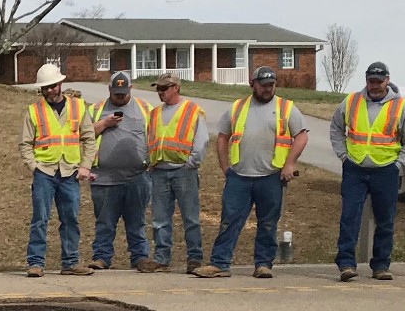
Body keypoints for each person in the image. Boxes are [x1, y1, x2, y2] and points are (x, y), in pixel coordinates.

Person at [193, 66, 310, 279]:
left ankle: (263, 264)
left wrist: (290, 164)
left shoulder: (286, 108)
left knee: (267, 222)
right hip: (239, 176)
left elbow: (301, 136)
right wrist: (225, 167)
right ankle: (220, 263)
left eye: (271, 85)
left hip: (271, 176)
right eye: (263, 85)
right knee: (229, 221)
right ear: (252, 84)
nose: (267, 89)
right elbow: (222, 137)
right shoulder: (237, 108)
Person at [330, 61, 405, 281]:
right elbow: (336, 128)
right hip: (355, 169)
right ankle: (346, 264)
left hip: (386, 171)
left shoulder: (400, 106)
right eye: (372, 81)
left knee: (385, 220)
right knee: (349, 217)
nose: (375, 86)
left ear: (387, 81)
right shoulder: (351, 101)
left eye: (379, 82)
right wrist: (344, 156)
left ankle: (381, 265)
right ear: (366, 81)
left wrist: (399, 164)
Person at [20, 62, 95, 277]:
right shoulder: (34, 111)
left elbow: (89, 139)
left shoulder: (78, 107)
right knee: (40, 219)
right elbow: (25, 143)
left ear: (60, 84)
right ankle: (35, 263)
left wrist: (85, 166)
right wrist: (34, 166)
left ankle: (70, 262)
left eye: (53, 86)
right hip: (45, 172)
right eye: (46, 87)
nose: (50, 91)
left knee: (70, 218)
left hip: (70, 172)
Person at [86, 71, 158, 271]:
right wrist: (104, 124)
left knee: (137, 221)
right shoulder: (96, 109)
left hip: (138, 177)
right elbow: (82, 135)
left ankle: (140, 257)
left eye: (123, 93)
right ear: (109, 89)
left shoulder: (145, 109)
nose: (120, 97)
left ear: (131, 89)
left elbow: (155, 136)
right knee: (105, 222)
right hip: (103, 178)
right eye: (116, 93)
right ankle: (101, 257)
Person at [144, 73, 210, 273]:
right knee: (159, 218)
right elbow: (148, 139)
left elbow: (202, 140)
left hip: (183, 171)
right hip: (159, 171)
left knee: (190, 217)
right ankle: (161, 259)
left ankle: (195, 258)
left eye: (164, 89)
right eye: (158, 89)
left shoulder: (192, 111)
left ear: (176, 88)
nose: (160, 93)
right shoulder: (154, 113)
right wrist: (150, 161)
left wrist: (191, 163)